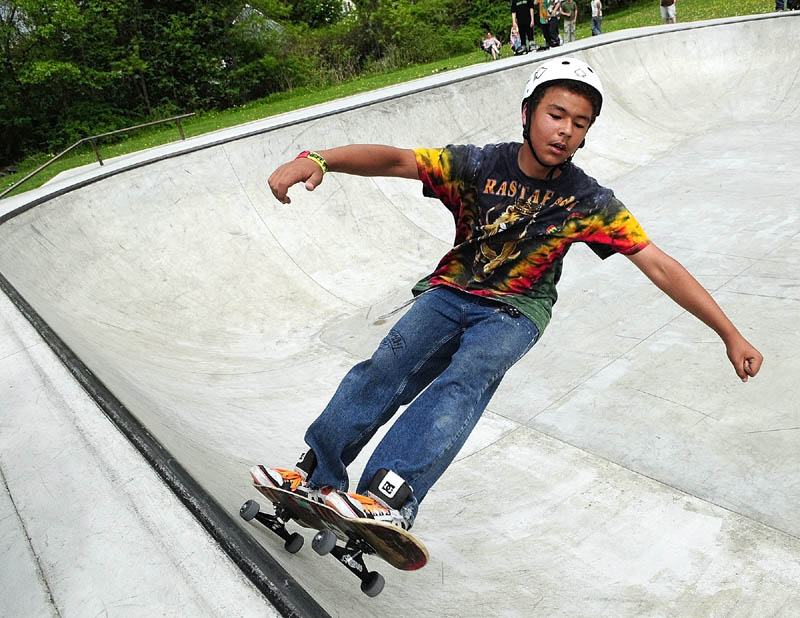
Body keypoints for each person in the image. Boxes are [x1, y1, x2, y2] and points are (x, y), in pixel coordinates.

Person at [260, 57, 763, 531]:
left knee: (464, 381)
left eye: (580, 123)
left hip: (514, 313)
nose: (565, 130)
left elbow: (657, 263)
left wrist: (729, 333)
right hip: (450, 290)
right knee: (386, 368)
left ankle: (390, 494)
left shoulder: (588, 201)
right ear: (529, 114)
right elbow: (397, 160)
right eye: (556, 115)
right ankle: (316, 471)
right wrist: (319, 158)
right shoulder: (478, 165)